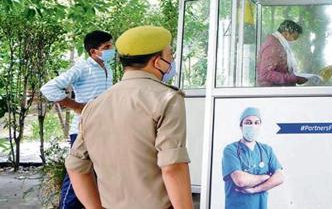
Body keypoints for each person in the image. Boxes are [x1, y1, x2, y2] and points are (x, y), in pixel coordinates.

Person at [65, 26, 193, 209]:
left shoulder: (95, 105)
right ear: (157, 62)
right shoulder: (167, 99)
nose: (172, 59)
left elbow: (75, 166)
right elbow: (172, 166)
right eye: (170, 54)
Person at [40, 30, 115, 209]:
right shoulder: (83, 68)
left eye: (111, 45)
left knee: (95, 177)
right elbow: (48, 88)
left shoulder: (108, 67)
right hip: (83, 129)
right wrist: (77, 107)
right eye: (107, 47)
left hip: (103, 129)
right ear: (93, 51)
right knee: (77, 175)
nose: (112, 50)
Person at [222, 107, 284, 209]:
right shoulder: (230, 150)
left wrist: (255, 189)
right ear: (241, 126)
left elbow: (280, 177)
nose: (253, 126)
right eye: (248, 122)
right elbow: (240, 180)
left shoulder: (266, 150)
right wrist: (264, 177)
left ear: (260, 125)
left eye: (256, 122)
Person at [256, 20, 308, 86]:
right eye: (294, 38)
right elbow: (265, 74)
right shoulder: (273, 45)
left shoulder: (279, 44)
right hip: (272, 92)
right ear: (286, 33)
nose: (294, 41)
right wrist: (294, 78)